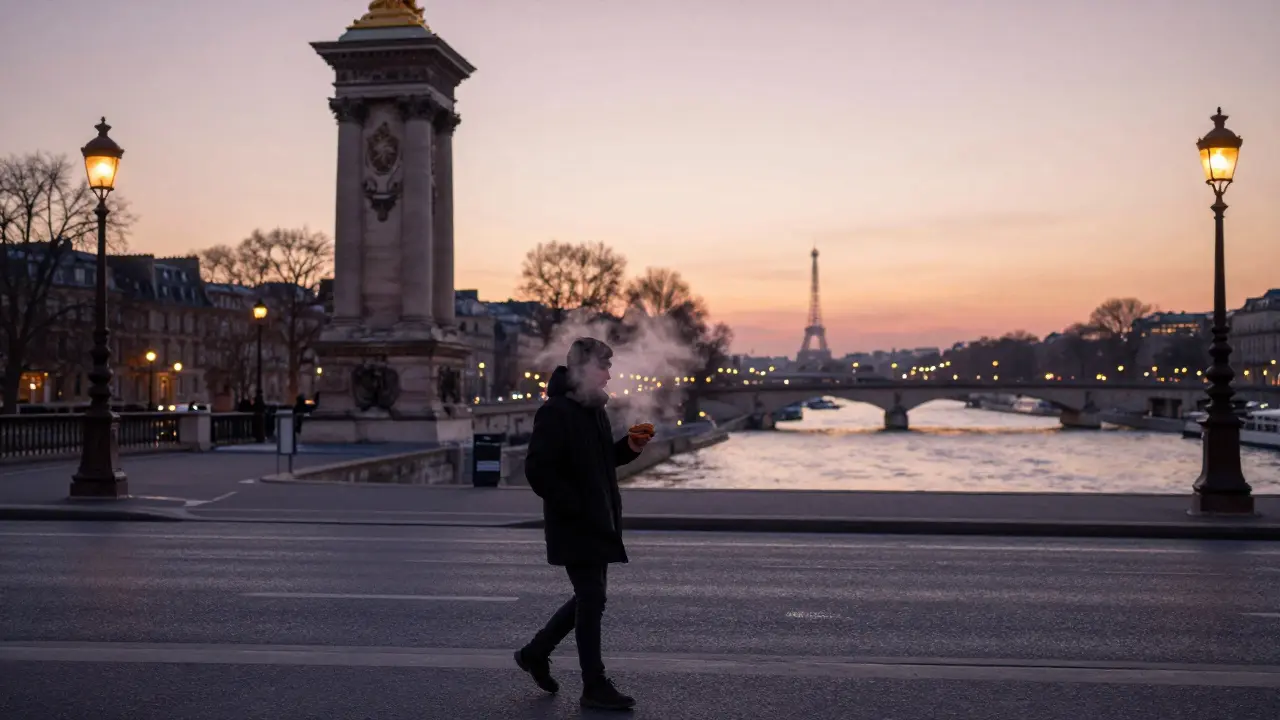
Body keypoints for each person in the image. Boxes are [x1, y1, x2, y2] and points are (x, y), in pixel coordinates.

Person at [514, 337, 654, 711]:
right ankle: (593, 684)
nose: (609, 374)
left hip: (599, 519)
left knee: (589, 598)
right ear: (581, 369)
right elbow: (537, 471)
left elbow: (601, 461)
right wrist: (575, 506)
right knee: (592, 598)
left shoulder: (593, 410)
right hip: (577, 522)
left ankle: (535, 652)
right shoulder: (556, 411)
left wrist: (630, 447)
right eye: (603, 367)